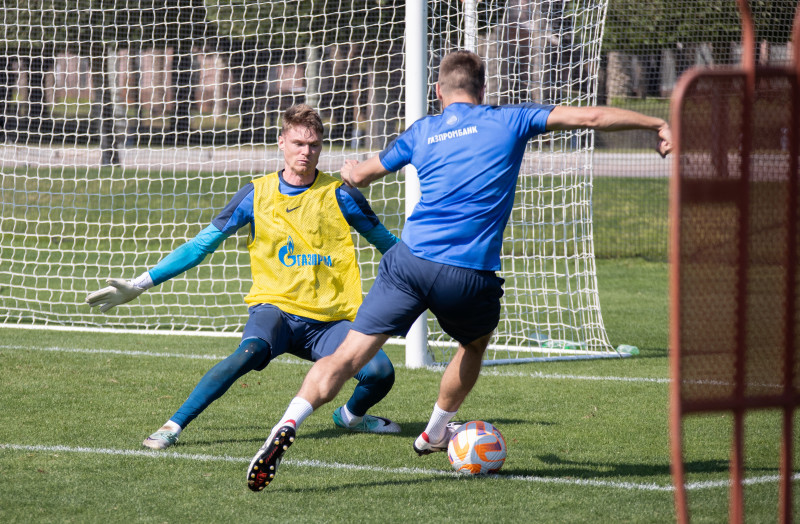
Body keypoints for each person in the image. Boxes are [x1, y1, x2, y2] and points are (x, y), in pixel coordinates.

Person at [245, 50, 673, 491]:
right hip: (467, 274)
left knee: (347, 357)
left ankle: (289, 421)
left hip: (408, 264)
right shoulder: (511, 120)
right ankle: (434, 432)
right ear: (482, 89)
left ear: (438, 91)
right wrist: (656, 123)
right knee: (473, 345)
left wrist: (352, 171)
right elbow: (592, 117)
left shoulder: (422, 130)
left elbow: (362, 176)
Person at [86, 104, 402, 454]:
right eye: (298, 143)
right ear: (281, 142)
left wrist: (429, 275)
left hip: (330, 322)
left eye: (314, 145)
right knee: (247, 353)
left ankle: (350, 417)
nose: (306, 152)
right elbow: (200, 246)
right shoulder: (256, 194)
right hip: (276, 311)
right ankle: (172, 425)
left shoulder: (341, 194)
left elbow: (389, 246)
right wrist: (140, 283)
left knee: (380, 373)